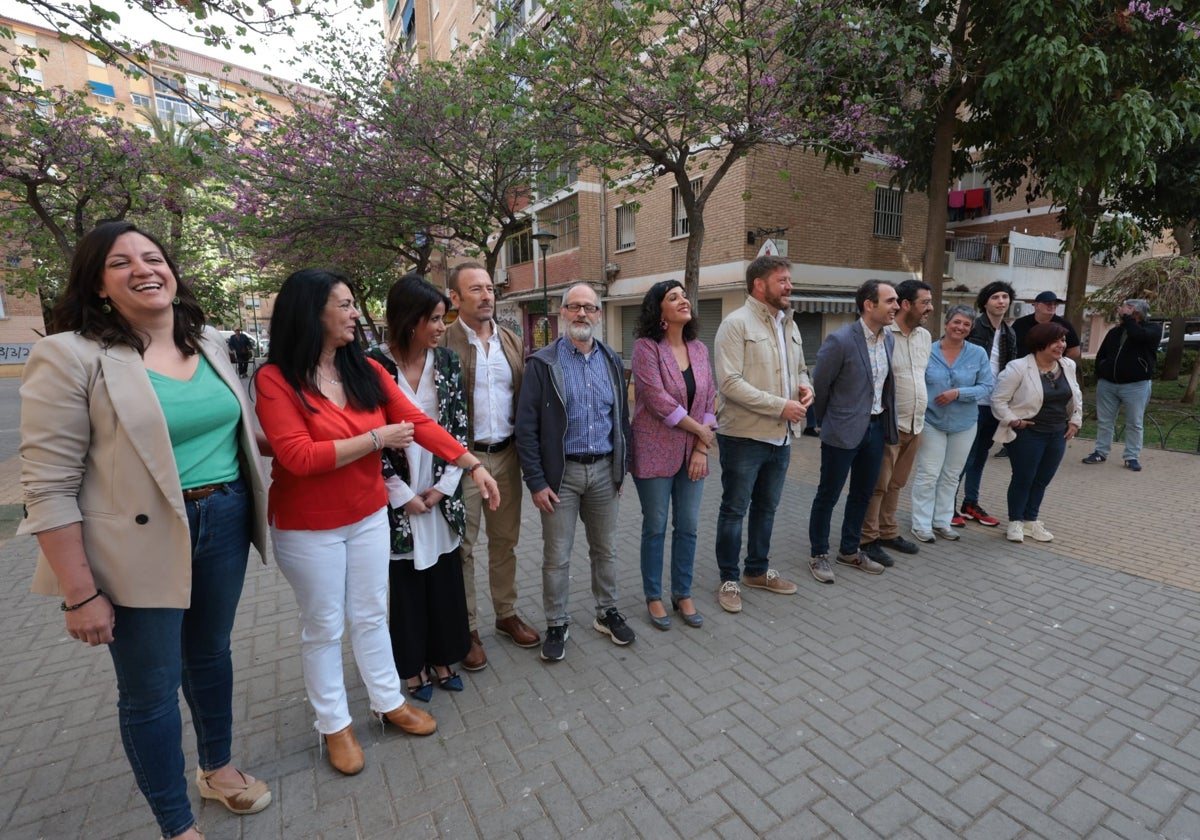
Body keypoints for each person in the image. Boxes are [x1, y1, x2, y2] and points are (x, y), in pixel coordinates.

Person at [19, 221, 271, 840]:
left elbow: (231, 431)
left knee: (211, 655)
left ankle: (217, 768)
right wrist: (80, 593)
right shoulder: (70, 354)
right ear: (98, 285)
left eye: (153, 256)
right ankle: (176, 825)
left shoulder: (209, 341)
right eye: (120, 262)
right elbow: (47, 485)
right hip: (137, 542)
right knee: (151, 689)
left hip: (225, 517)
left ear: (173, 270)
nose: (143, 268)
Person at [254, 268, 500, 775]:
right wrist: (376, 440)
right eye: (343, 305)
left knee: (370, 614)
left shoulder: (365, 370)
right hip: (309, 524)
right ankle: (335, 726)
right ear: (310, 312)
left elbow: (421, 423)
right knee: (324, 626)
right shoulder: (275, 378)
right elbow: (299, 456)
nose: (353, 314)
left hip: (367, 515)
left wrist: (471, 465)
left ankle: (389, 702)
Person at [515, 283, 633, 661]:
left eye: (590, 308)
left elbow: (621, 419)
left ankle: (606, 612)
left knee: (606, 550)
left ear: (599, 315)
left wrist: (620, 469)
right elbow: (526, 428)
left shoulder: (612, 361)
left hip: (602, 472)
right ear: (562, 313)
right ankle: (557, 622)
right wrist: (535, 481)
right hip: (559, 478)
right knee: (557, 557)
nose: (582, 314)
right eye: (574, 307)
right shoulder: (542, 363)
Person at [369, 275, 472, 702]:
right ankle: (411, 667)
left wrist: (445, 487)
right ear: (409, 319)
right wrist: (400, 494)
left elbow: (458, 426)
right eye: (433, 318)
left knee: (445, 580)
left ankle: (444, 657)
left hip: (439, 488)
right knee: (407, 584)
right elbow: (366, 433)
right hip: (396, 494)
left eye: (443, 317)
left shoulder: (446, 361)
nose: (441, 326)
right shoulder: (371, 365)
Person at [442, 262, 540, 670]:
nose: (486, 295)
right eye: (475, 289)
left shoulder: (512, 341)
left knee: (505, 542)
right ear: (456, 298)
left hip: (507, 455)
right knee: (463, 548)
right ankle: (466, 629)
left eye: (489, 288)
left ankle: (505, 614)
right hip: (465, 460)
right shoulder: (443, 341)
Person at [712, 256, 813, 613]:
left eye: (789, 280)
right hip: (743, 436)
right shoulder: (735, 324)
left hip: (781, 437)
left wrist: (805, 388)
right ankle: (729, 578)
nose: (789, 286)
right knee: (734, 510)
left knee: (767, 509)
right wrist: (779, 406)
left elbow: (800, 369)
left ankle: (756, 570)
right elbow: (729, 383)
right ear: (759, 284)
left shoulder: (789, 324)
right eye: (782, 280)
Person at [630, 280, 718, 630]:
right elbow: (655, 400)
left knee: (689, 526)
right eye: (673, 297)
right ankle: (653, 596)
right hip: (653, 451)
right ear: (659, 310)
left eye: (684, 295)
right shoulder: (645, 348)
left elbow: (710, 398)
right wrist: (701, 431)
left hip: (692, 453)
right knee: (655, 526)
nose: (683, 300)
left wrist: (700, 447)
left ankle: (682, 593)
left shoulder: (699, 349)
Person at [808, 279, 899, 583]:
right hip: (842, 430)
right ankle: (819, 554)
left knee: (862, 493)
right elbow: (820, 386)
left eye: (897, 301)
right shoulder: (841, 340)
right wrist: (828, 421)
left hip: (875, 428)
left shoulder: (889, 340)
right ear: (869, 305)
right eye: (890, 301)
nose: (896, 307)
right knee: (828, 495)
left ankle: (849, 550)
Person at [860, 279, 932, 567]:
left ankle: (888, 531)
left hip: (916, 424)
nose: (930, 307)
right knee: (878, 484)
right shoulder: (883, 334)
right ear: (905, 304)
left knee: (897, 483)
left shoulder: (924, 337)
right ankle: (868, 538)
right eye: (924, 302)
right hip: (889, 423)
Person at [991, 321, 1083, 543]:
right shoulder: (1018, 368)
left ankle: (1030, 521)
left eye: (1063, 340)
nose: (1062, 345)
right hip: (1028, 434)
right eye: (1056, 341)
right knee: (1023, 478)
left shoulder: (1067, 365)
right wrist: (1014, 421)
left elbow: (1076, 394)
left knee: (1042, 479)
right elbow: (998, 400)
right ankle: (1015, 522)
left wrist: (1075, 421)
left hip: (1057, 432)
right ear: (1041, 344)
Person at [909, 306, 994, 543]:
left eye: (966, 325)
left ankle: (942, 521)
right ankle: (921, 523)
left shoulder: (977, 353)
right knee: (928, 474)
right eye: (957, 322)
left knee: (951, 475)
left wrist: (959, 393)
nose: (961, 328)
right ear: (946, 324)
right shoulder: (928, 350)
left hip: (964, 423)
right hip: (931, 420)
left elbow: (987, 386)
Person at [957, 280, 1017, 527]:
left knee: (980, 456)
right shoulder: (973, 327)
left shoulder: (1010, 332)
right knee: (963, 457)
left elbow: (1011, 369)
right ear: (985, 302)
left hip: (994, 404)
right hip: (971, 402)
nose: (1001, 301)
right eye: (995, 297)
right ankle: (946, 506)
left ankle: (970, 502)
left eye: (1005, 297)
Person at [1082, 299, 1161, 472]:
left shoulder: (1152, 329)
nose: (1121, 309)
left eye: (1127, 307)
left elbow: (1138, 335)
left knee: (1134, 422)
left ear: (1136, 312)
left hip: (1136, 386)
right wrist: (1101, 370)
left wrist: (1128, 319)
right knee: (1105, 421)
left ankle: (1131, 457)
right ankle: (1100, 452)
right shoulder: (1116, 331)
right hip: (1108, 384)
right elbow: (1102, 354)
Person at [1012, 291, 1081, 362]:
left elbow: (1075, 351)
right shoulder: (1020, 323)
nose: (1052, 306)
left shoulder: (1064, 325)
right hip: (1023, 368)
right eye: (1048, 304)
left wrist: (1055, 364)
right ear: (1036, 305)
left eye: (1055, 304)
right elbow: (1009, 347)